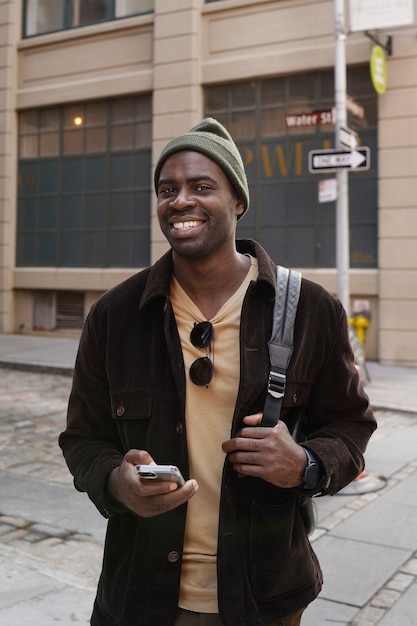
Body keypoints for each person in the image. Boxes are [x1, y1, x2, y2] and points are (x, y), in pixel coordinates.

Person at [59, 118, 376, 626]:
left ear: (238, 202)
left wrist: (306, 465)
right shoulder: (115, 316)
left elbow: (352, 426)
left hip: (264, 598)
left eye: (202, 186)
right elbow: (82, 439)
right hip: (139, 596)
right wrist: (118, 483)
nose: (181, 200)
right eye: (168, 189)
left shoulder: (310, 310)